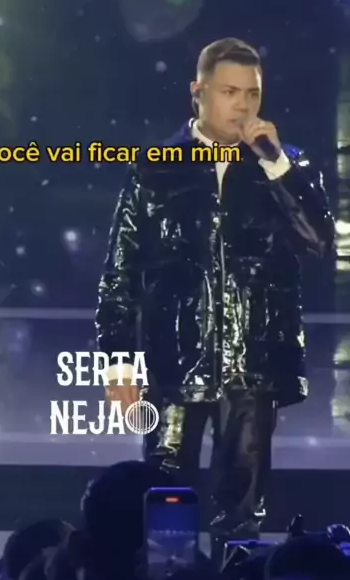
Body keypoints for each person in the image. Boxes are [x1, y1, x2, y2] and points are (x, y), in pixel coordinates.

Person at [95, 37, 335, 563]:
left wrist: (276, 165)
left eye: (252, 93)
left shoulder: (285, 167)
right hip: (174, 360)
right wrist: (118, 362)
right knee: (165, 500)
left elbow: (320, 242)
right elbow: (121, 271)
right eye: (230, 92)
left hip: (253, 363)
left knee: (242, 509)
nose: (243, 106)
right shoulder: (156, 168)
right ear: (198, 92)